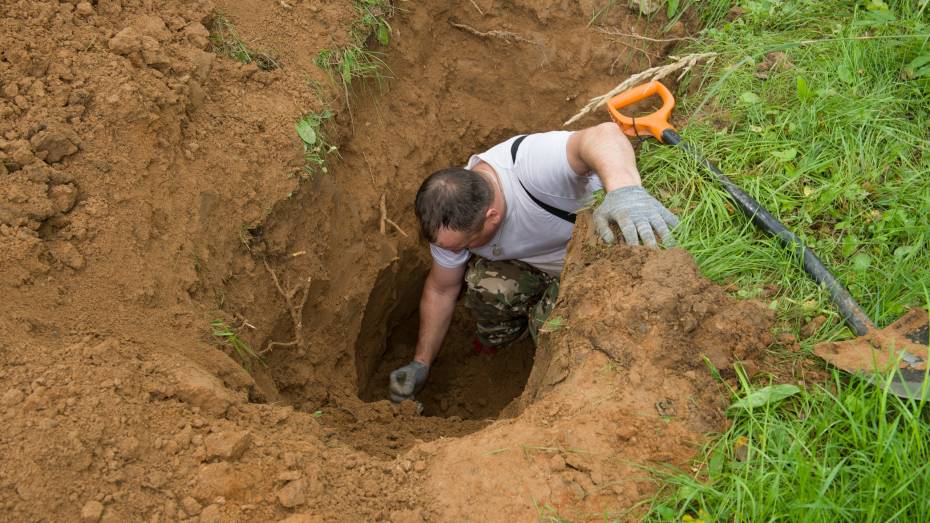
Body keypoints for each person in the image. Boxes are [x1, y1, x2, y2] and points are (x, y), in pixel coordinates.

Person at [388, 122, 678, 403]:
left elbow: (604, 134)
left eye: (465, 246)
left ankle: (545, 362)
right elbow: (441, 289)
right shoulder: (449, 222)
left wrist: (625, 192)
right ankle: (504, 349)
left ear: (492, 217)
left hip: (590, 266)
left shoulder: (529, 166)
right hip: (536, 266)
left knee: (550, 326)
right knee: (483, 286)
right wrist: (421, 363)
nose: (458, 252)